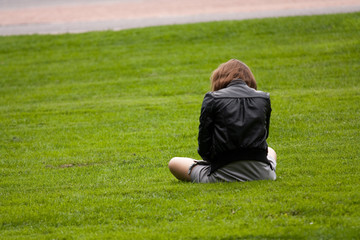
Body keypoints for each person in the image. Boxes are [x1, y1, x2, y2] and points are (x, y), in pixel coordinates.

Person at [168, 59, 277, 183]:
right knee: (271, 151)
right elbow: (264, 135)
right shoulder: (264, 97)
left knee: (174, 162)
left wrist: (213, 162)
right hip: (262, 173)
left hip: (222, 173)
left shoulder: (212, 98)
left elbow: (204, 144)